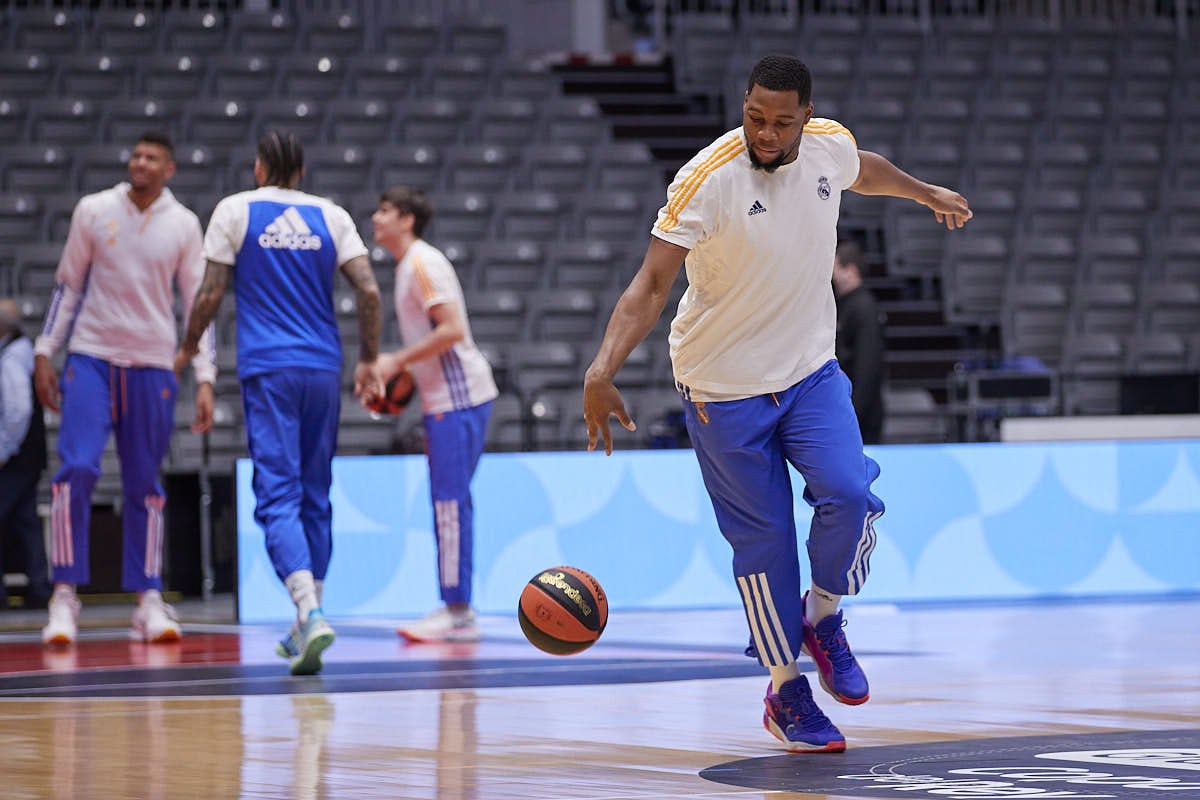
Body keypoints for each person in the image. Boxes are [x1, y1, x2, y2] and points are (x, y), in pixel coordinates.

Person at [582, 54, 972, 753]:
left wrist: (922, 192)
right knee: (764, 547)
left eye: (781, 121)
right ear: (745, 103)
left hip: (808, 371)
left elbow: (866, 167)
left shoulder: (828, 144)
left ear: (805, 116)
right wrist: (601, 367)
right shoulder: (704, 180)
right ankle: (785, 691)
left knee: (850, 494)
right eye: (755, 117)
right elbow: (649, 284)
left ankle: (823, 617)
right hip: (722, 387)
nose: (766, 132)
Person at [174, 131, 383, 676]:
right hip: (322, 366)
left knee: (276, 493)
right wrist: (368, 360)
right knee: (316, 491)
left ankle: (308, 611)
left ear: (259, 166)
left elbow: (211, 292)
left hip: (269, 369)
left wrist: (190, 344)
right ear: (302, 170)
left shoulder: (235, 210)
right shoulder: (332, 216)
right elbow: (369, 291)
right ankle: (308, 616)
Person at [34, 131, 216, 646]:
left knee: (145, 484)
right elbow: (68, 286)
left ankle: (148, 600)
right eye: (136, 154)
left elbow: (198, 306)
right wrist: (47, 349)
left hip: (154, 364)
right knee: (76, 471)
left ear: (170, 169)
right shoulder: (93, 209)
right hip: (91, 357)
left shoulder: (183, 224)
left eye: (152, 157)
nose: (140, 162)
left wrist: (205, 377)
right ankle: (64, 596)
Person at [369, 186, 497, 643]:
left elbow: (452, 331)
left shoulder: (422, 263)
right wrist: (403, 382)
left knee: (449, 503)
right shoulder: (410, 266)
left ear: (406, 219)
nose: (375, 218)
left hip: (458, 398)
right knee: (449, 502)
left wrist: (394, 362)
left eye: (384, 211)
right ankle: (456, 607)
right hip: (447, 398)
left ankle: (457, 611)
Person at [0, 298, 52, 611]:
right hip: (28, 455)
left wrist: (4, 449)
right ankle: (39, 587)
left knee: (22, 520)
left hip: (15, 456)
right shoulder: (23, 353)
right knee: (25, 521)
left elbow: (17, 411)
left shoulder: (10, 360)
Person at [832, 241, 886, 445]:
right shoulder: (844, 304)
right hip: (846, 405)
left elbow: (868, 364)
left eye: (836, 266)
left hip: (861, 412)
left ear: (850, 270)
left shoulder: (863, 307)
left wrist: (854, 412)